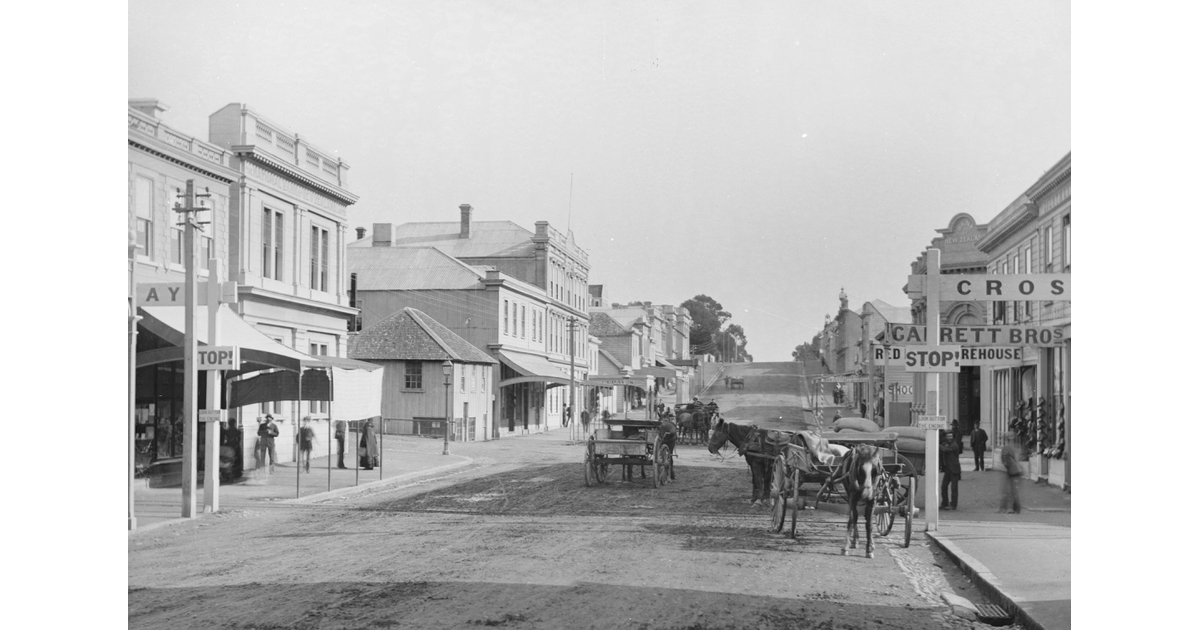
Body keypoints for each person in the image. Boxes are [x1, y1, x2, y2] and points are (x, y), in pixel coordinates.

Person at [999, 430, 1023, 514]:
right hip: (1017, 471)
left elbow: (1005, 461)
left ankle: (1005, 508)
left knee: (1007, 490)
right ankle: (1015, 508)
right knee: (1013, 491)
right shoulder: (1017, 447)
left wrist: (1006, 467)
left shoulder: (1006, 448)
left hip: (1011, 471)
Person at [939, 431, 960, 510]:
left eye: (951, 436)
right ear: (946, 437)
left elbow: (944, 449)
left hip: (954, 469)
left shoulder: (954, 445)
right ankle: (945, 503)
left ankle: (953, 504)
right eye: (948, 436)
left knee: (954, 488)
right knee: (944, 486)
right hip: (948, 469)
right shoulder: (945, 443)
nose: (950, 438)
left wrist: (936, 443)